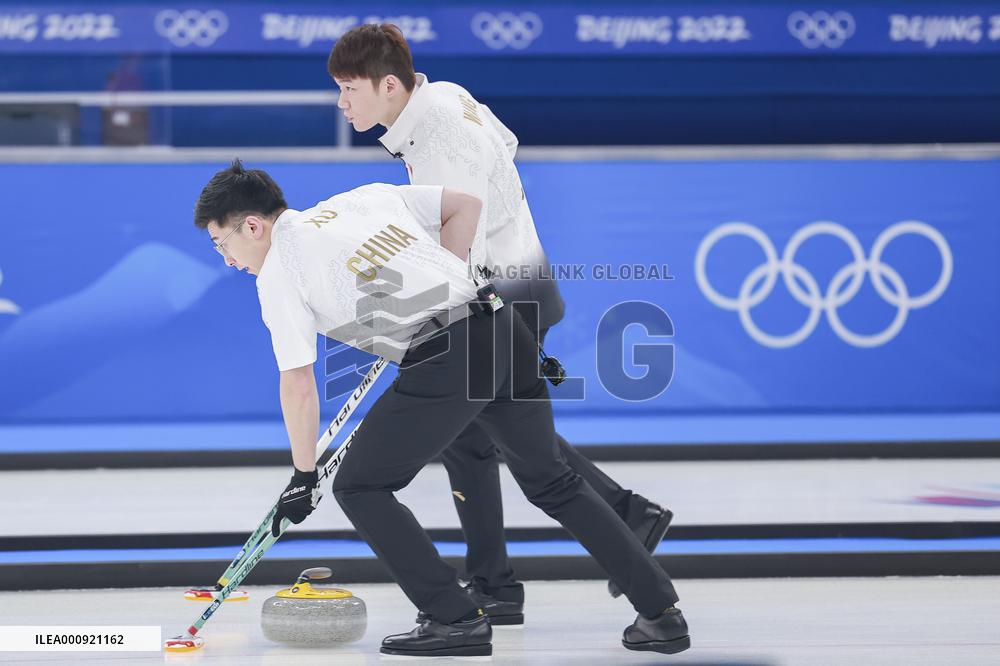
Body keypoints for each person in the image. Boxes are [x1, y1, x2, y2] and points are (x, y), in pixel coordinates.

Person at [192, 160, 690, 656]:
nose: (228, 259)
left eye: (223, 243)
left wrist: (303, 474)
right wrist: (445, 284)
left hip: (449, 354)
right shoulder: (359, 199)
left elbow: (298, 382)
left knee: (360, 486)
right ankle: (661, 615)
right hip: (500, 321)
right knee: (553, 481)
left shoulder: (279, 269)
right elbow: (463, 206)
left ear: (253, 226)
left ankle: (453, 619)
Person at [326, 23, 673, 620]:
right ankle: (518, 570)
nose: (341, 102)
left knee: (490, 432)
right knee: (482, 432)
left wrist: (422, 309)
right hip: (519, 275)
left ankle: (515, 572)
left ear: (388, 86)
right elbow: (506, 146)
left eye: (349, 89)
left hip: (498, 292)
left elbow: (460, 234)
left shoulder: (437, 137)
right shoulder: (443, 97)